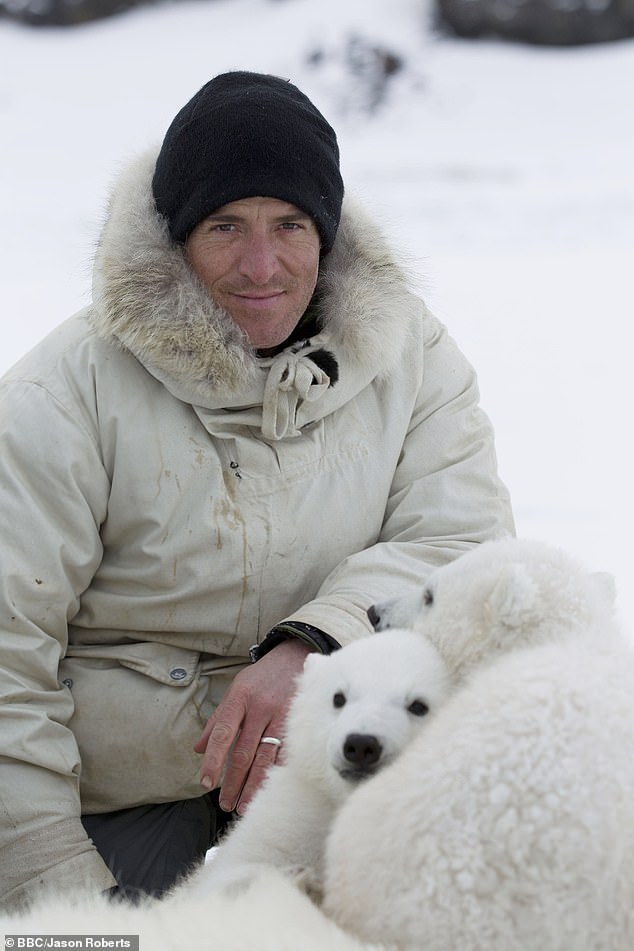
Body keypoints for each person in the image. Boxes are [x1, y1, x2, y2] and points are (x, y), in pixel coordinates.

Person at [0, 71, 514, 910]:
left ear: (328, 232)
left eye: (290, 224)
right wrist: (57, 891)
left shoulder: (409, 354)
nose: (263, 264)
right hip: (113, 787)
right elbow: (5, 655)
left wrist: (316, 646)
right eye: (225, 225)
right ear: (176, 237)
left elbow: (464, 545)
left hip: (335, 749)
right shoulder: (63, 395)